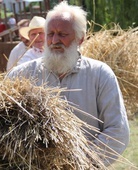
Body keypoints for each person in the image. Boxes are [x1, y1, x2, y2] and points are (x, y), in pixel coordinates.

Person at [7, 1, 130, 166]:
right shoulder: (22, 74)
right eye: (50, 34)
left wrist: (81, 163)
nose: (54, 40)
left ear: (80, 38)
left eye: (62, 34)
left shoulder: (100, 74)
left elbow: (117, 130)